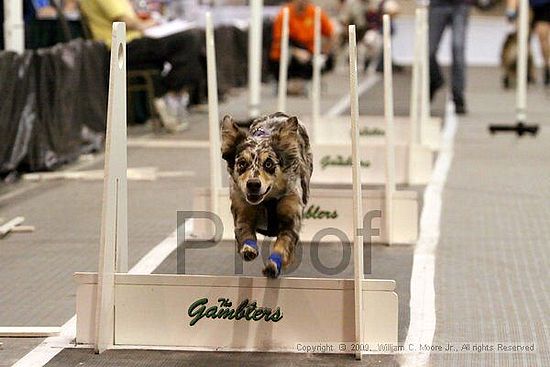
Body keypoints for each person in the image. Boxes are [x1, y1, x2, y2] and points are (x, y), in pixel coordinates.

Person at [80, 0, 203, 132]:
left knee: (191, 44)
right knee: (189, 39)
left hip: (136, 40)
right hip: (121, 47)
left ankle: (167, 93)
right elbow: (125, 21)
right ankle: (167, 94)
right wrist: (152, 23)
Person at [269, 0, 336, 95]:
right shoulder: (284, 14)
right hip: (288, 51)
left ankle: (305, 82)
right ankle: (288, 82)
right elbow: (279, 40)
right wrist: (295, 52)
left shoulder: (315, 13)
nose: (302, 2)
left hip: (309, 52)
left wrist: (324, 52)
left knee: (327, 59)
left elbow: (331, 34)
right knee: (292, 56)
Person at [428, 0, 471, 114]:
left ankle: (458, 95)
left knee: (458, 49)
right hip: (437, 5)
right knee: (429, 51)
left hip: (461, 5)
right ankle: (434, 80)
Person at [507, 0, 550, 86]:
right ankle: (527, 70)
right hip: (527, 4)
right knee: (523, 35)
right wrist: (511, 9)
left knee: (543, 34)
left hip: (545, 4)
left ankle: (546, 66)